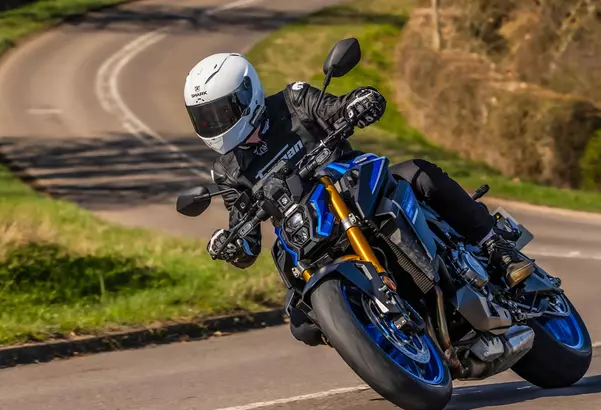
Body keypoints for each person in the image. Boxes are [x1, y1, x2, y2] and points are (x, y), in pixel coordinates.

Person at [183, 53, 533, 345]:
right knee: (301, 320)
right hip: (312, 233)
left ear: (247, 96)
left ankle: (495, 246)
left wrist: (359, 102)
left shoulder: (293, 101)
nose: (214, 124)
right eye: (205, 118)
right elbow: (244, 235)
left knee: (418, 174)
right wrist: (233, 245)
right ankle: (371, 338)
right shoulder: (228, 171)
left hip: (355, 190)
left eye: (221, 113)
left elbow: (337, 108)